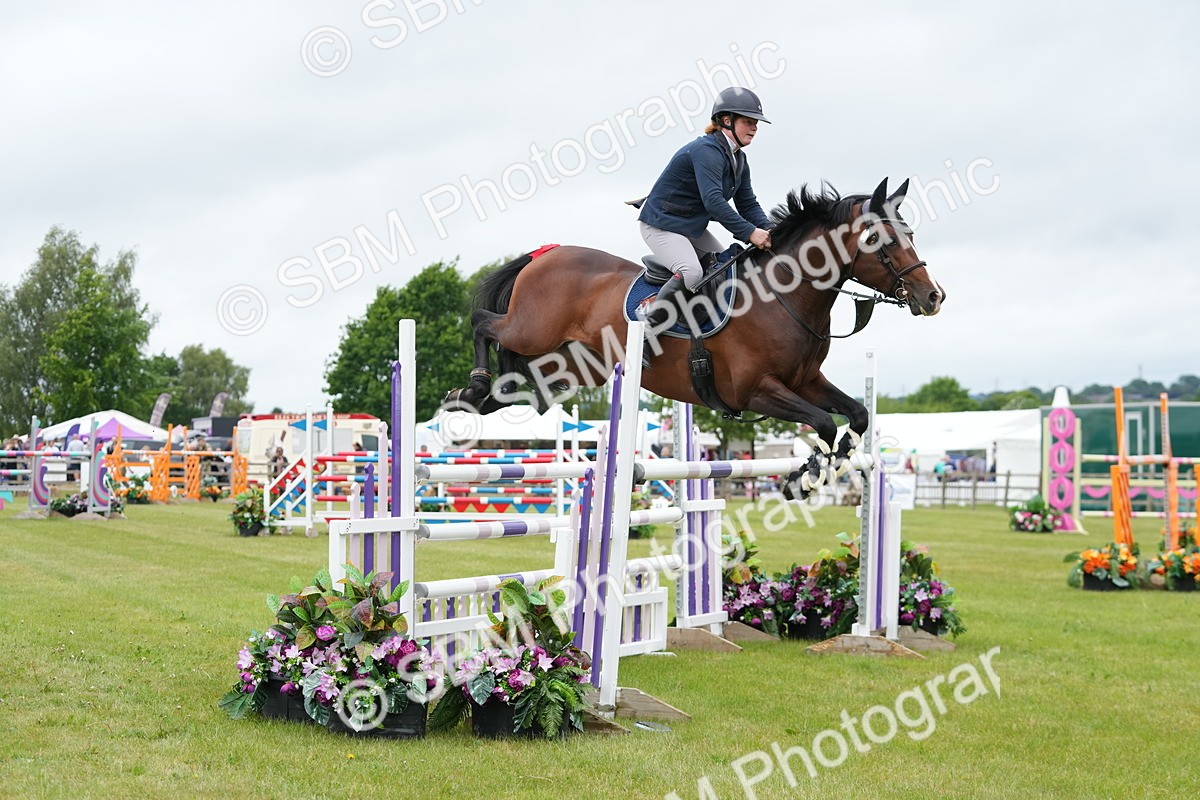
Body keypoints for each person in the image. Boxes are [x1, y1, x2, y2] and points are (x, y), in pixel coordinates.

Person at [636, 86, 776, 366]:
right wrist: (750, 232)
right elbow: (714, 202)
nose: (754, 128)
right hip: (660, 224)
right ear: (726, 120)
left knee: (726, 268)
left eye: (756, 123)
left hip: (689, 227)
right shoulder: (706, 151)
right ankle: (646, 333)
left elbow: (748, 203)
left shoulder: (739, 159)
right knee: (692, 272)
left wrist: (772, 229)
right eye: (748, 121)